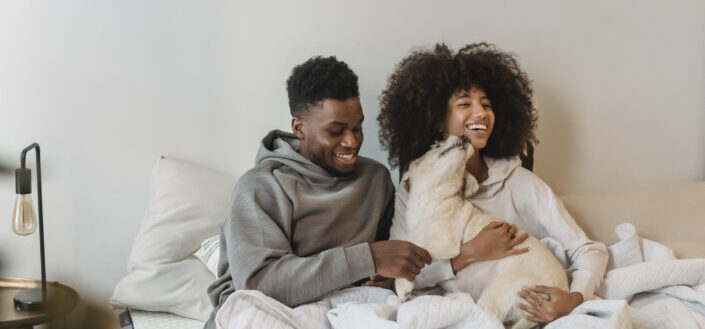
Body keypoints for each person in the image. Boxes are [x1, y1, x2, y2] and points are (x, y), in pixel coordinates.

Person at [376, 43, 609, 323]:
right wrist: (469, 254)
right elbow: (401, 269)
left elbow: (588, 249)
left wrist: (574, 298)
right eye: (465, 104)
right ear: (437, 120)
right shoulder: (413, 189)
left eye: (486, 105)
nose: (481, 113)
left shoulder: (516, 182)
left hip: (518, 300)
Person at [204, 56, 432, 329]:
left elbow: (385, 260)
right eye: (335, 131)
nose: (352, 142)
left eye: (357, 128)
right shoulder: (262, 186)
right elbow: (260, 284)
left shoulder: (375, 180)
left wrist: (383, 275)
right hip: (268, 312)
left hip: (349, 310)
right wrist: (369, 258)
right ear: (299, 128)